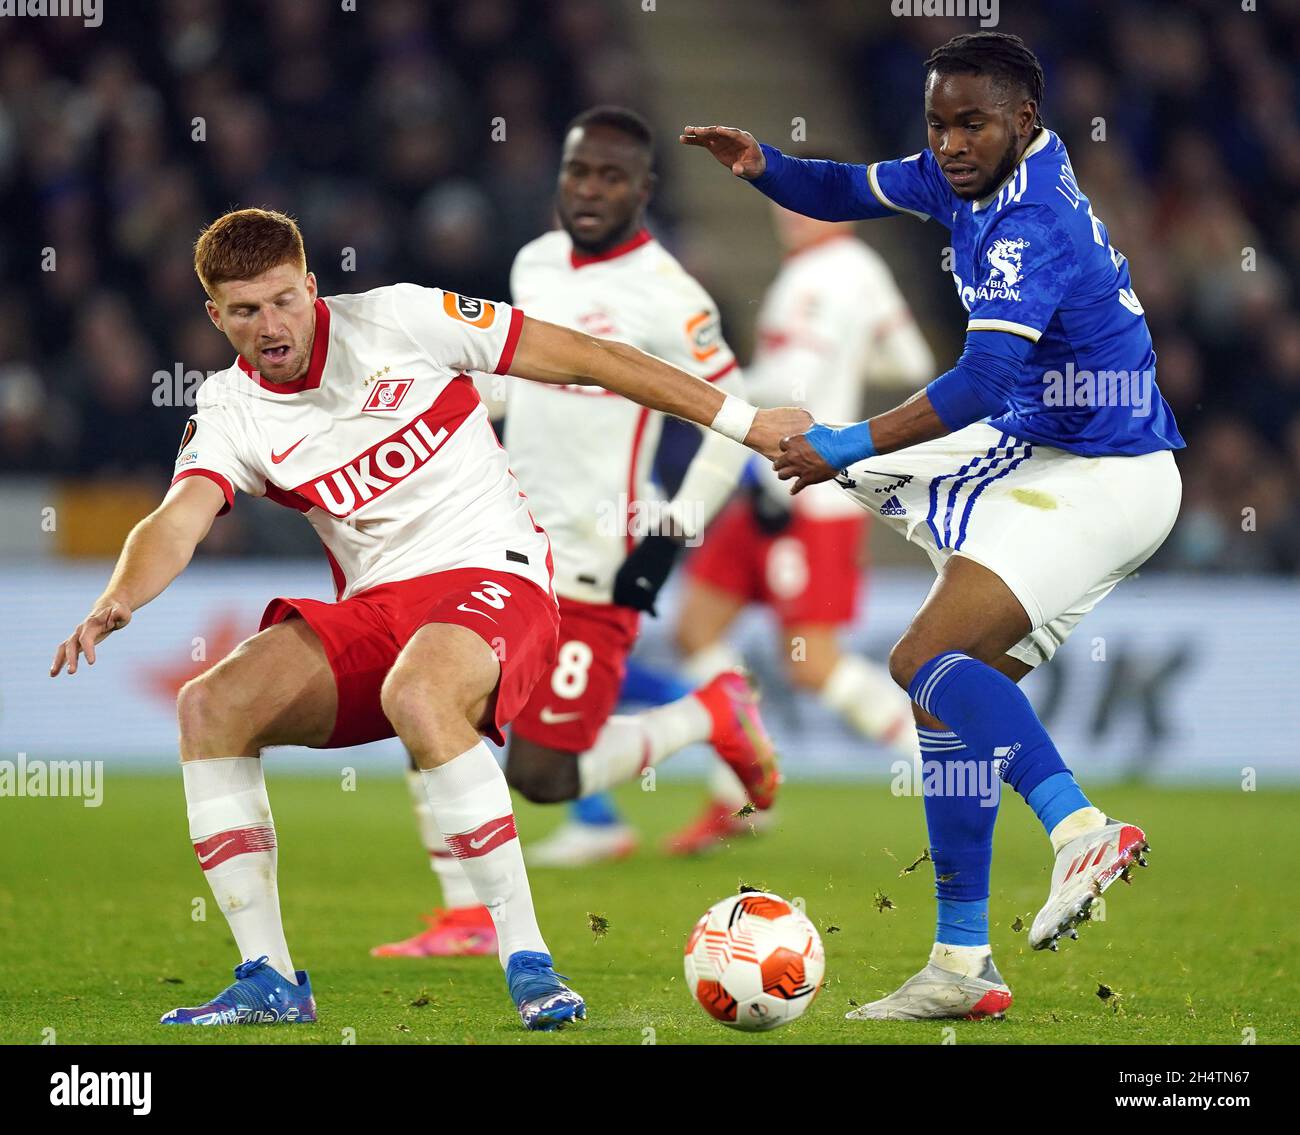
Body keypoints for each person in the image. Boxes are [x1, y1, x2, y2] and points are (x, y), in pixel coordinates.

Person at [48, 206, 804, 1030]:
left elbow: (590, 356)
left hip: (495, 575)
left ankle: (529, 960)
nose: (269, 326)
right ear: (214, 316)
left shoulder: (402, 318)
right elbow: (179, 516)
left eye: (281, 302)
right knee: (209, 705)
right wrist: (119, 595)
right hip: (378, 605)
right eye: (244, 311)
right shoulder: (231, 407)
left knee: (421, 690)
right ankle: (268, 976)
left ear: (311, 286)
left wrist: (748, 423)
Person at [682, 30, 1182, 1020]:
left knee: (920, 654)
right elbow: (849, 191)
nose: (948, 144)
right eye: (937, 124)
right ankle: (960, 965)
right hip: (1049, 447)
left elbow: (983, 380)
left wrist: (847, 444)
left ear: (1023, 122)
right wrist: (764, 167)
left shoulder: (1028, 224)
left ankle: (1079, 824)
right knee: (945, 695)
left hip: (1101, 471)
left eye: (970, 124)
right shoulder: (969, 171)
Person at [371, 106, 772, 957]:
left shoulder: (671, 296)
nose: (589, 191)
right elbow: (522, 381)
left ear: (644, 190)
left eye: (610, 177)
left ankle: (710, 712)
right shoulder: (534, 261)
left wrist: (669, 532)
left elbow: (732, 421)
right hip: (501, 541)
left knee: (544, 777)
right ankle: (466, 914)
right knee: (426, 696)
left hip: (599, 559)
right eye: (577, 172)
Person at [667, 169, 936, 855]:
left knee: (811, 662)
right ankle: (744, 795)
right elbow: (910, 357)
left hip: (802, 491)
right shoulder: (857, 269)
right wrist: (849, 380)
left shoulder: (821, 277)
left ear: (836, 209)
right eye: (785, 202)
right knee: (697, 627)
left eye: (804, 203)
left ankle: (940, 764)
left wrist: (703, 389)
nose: (790, 215)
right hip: (771, 483)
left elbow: (795, 384)